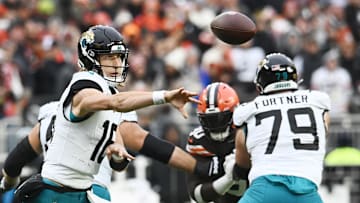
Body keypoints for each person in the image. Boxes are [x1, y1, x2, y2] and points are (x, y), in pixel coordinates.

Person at [8, 25, 216, 203]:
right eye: (109, 57)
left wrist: (117, 152)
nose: (117, 63)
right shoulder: (83, 89)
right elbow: (116, 103)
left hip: (83, 192)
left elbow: (117, 160)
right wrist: (164, 96)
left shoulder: (109, 95)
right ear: (90, 58)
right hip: (56, 193)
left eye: (119, 56)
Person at [233, 53, 331, 203]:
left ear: (261, 83)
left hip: (263, 191)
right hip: (307, 192)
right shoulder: (318, 102)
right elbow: (323, 132)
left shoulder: (248, 111)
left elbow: (242, 164)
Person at [0, 101, 128, 201]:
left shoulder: (51, 115)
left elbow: (13, 163)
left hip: (53, 191)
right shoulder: (107, 118)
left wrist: (8, 184)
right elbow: (119, 164)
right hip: (95, 193)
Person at [186, 82, 247, 203]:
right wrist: (228, 179)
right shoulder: (199, 141)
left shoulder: (248, 131)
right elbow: (196, 194)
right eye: (209, 120)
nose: (215, 126)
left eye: (221, 118)